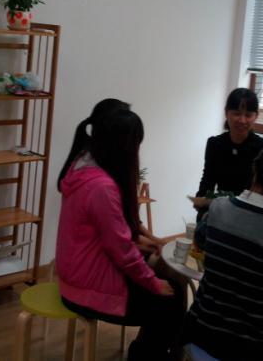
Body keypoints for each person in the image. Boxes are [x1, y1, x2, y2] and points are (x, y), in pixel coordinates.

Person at [56, 109, 185, 360]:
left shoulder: (81, 168)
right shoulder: (102, 187)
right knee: (171, 299)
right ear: (124, 146)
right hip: (87, 291)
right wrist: (153, 283)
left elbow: (119, 238)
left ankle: (145, 352)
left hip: (73, 277)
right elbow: (123, 251)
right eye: (137, 144)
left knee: (163, 286)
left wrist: (148, 253)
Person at [185, 141, 263, 361]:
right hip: (253, 350)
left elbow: (200, 241)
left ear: (254, 168)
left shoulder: (218, 207)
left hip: (202, 332)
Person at [57, 98, 164, 255]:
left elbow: (127, 221)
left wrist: (154, 241)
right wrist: (150, 245)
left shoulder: (86, 166)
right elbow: (120, 245)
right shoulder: (101, 185)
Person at [193, 87, 263, 221]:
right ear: (226, 113)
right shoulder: (215, 144)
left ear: (256, 116)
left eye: (248, 115)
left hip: (249, 215)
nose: (242, 120)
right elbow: (207, 181)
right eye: (237, 113)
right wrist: (201, 204)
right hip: (221, 211)